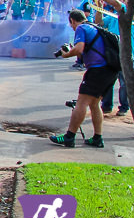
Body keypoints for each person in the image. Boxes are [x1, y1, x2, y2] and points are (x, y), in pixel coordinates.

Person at [50, 9, 118, 148]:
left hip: (97, 70)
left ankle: (69, 136)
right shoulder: (93, 27)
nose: (72, 27)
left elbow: (79, 49)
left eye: (71, 24)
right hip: (110, 70)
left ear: (72, 21)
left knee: (81, 103)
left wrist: (67, 54)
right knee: (94, 104)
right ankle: (97, 138)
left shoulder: (81, 28)